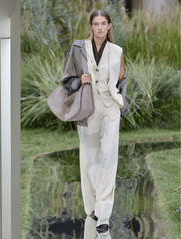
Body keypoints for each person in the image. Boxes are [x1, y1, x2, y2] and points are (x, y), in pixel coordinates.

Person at [60, 10, 129, 234]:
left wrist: (120, 102)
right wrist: (80, 80)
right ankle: (93, 206)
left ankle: (104, 214)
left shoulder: (117, 51)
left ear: (109, 26)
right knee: (90, 160)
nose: (99, 27)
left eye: (103, 24)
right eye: (95, 24)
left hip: (109, 109)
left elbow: (121, 80)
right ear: (91, 26)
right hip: (87, 109)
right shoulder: (78, 48)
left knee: (109, 159)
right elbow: (66, 80)